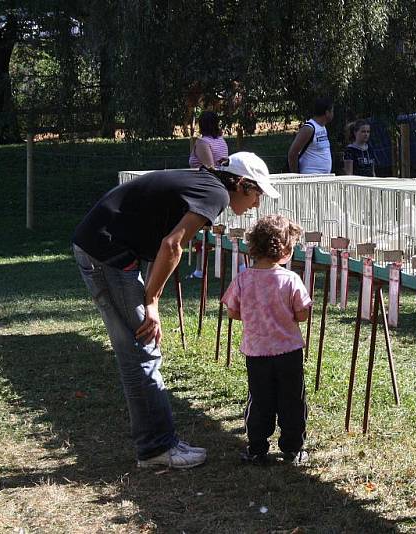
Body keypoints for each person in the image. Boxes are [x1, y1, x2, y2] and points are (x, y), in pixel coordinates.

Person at [72, 152, 280, 470]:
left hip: (106, 246)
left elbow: (162, 243)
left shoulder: (205, 183)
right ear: (241, 184)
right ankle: (156, 448)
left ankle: (159, 442)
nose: (256, 204)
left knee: (139, 348)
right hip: (106, 252)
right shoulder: (216, 193)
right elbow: (171, 245)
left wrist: (150, 294)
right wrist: (151, 301)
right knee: (141, 349)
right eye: (257, 195)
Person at [221, 214, 311, 465]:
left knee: (259, 400)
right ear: (283, 249)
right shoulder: (290, 279)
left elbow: (232, 311)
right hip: (288, 353)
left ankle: (257, 447)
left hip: (257, 353)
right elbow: (302, 313)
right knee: (292, 399)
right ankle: (294, 448)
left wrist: (253, 316)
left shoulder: (242, 279)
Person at [188, 111, 230, 279]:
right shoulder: (221, 141)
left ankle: (200, 269)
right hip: (221, 187)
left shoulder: (202, 142)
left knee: (201, 228)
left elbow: (209, 167)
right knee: (225, 227)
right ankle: (240, 264)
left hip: (205, 191)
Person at [287, 97, 334, 174]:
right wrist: (295, 175)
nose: (333, 114)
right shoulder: (309, 128)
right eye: (332, 111)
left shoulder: (323, 127)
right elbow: (293, 153)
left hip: (324, 177)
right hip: (310, 177)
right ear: (327, 113)